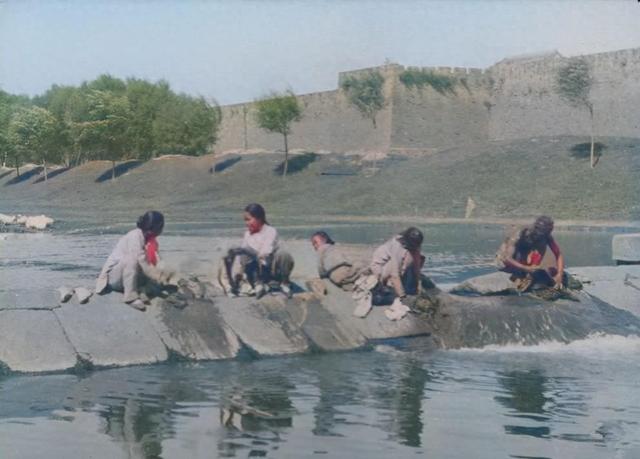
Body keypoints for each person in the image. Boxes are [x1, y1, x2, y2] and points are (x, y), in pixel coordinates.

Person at [96, 210, 170, 310]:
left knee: (157, 274)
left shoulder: (151, 241)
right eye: (162, 226)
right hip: (114, 279)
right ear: (156, 227)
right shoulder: (135, 236)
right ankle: (130, 297)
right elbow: (142, 260)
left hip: (128, 277)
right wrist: (157, 275)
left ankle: (142, 289)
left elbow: (156, 260)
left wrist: (163, 273)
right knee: (132, 259)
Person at [222, 203, 294, 298]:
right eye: (245, 220)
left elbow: (265, 252)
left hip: (268, 268)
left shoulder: (270, 231)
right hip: (254, 271)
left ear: (259, 218)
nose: (246, 223)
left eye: (248, 219)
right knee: (240, 253)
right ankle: (257, 283)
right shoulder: (247, 234)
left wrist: (248, 251)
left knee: (284, 254)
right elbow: (242, 259)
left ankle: (284, 283)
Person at [351, 227, 426, 319]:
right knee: (396, 268)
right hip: (382, 268)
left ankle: (404, 284)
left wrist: (419, 283)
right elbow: (395, 274)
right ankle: (388, 285)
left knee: (418, 258)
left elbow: (417, 265)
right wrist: (402, 296)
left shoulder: (414, 245)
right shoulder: (397, 246)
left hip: (397, 267)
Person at [495, 215, 565, 291]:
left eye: (547, 232)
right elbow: (507, 258)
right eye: (542, 232)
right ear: (536, 228)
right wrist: (526, 268)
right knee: (503, 263)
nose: (544, 235)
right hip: (507, 256)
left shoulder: (546, 236)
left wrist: (559, 274)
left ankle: (529, 271)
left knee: (542, 244)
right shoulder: (520, 233)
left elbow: (558, 254)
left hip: (525, 255)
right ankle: (519, 274)